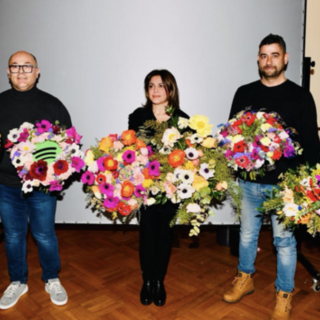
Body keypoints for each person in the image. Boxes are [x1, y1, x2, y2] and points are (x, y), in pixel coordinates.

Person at [222, 34, 320, 320]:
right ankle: (245, 278)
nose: (269, 61)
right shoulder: (244, 93)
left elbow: (312, 145)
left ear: (285, 58)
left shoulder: (301, 96)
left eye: (274, 55)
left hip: (286, 187)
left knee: (285, 243)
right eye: (264, 55)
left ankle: (284, 294)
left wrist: (311, 185)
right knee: (247, 235)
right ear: (258, 59)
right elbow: (230, 137)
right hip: (249, 182)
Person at [0, 51, 72, 309]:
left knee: (44, 235)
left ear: (37, 71)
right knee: (13, 236)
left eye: (27, 66)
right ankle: (17, 281)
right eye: (15, 66)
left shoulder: (53, 105)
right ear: (8, 72)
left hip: (42, 187)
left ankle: (51, 278)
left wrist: (56, 171)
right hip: (6, 185)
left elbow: (69, 146)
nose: (21, 71)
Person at [128, 69, 188, 306]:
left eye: (161, 86)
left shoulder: (182, 118)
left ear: (170, 90)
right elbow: (134, 148)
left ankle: (159, 281)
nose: (155, 90)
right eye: (151, 86)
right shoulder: (137, 116)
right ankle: (147, 281)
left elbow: (186, 155)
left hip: (170, 187)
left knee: (164, 236)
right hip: (144, 185)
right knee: (146, 234)